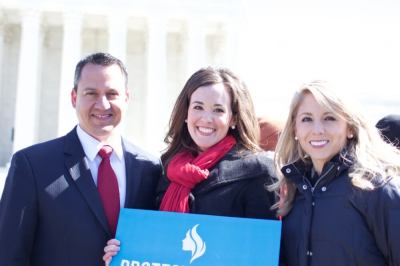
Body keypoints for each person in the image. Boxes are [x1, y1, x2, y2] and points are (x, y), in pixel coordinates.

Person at [0, 52, 162, 266]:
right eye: (91, 93)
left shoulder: (150, 168)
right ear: (74, 98)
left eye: (112, 93)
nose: (103, 104)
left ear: (126, 98)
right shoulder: (32, 165)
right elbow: (9, 254)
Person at [103, 67, 277, 265]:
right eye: (198, 107)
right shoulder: (167, 169)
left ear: (234, 118)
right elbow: (152, 245)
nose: (206, 118)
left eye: (218, 110)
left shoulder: (258, 172)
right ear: (186, 113)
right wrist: (122, 252)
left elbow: (266, 255)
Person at [271, 80, 400, 266]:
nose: (318, 130)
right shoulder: (291, 190)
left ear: (350, 128)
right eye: (307, 119)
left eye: (329, 118)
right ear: (294, 129)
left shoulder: (378, 189)